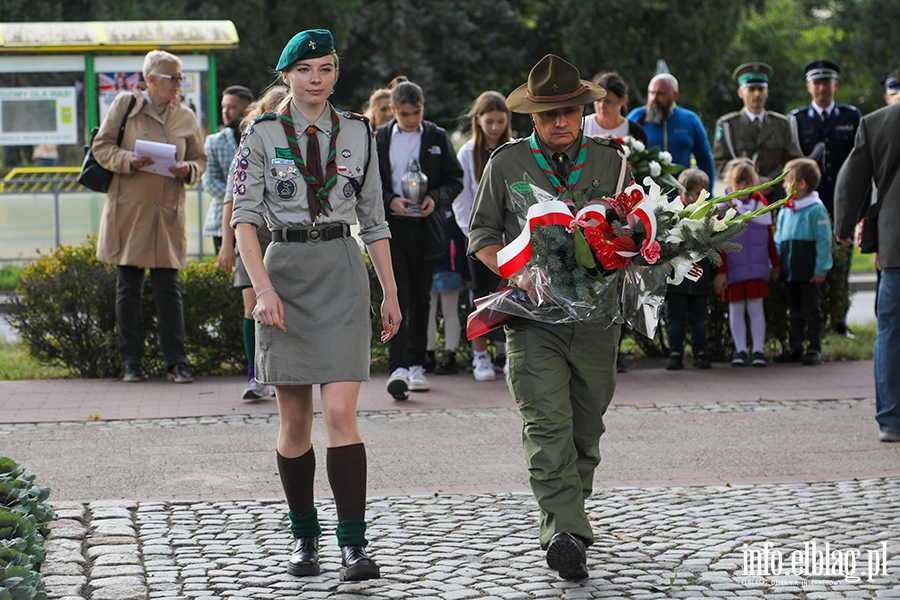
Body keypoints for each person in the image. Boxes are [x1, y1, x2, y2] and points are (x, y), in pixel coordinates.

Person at [229, 29, 402, 579]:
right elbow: (244, 222)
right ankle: (305, 539)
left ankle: (354, 544)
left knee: (342, 414)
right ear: (286, 77)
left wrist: (390, 291)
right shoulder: (259, 135)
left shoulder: (358, 132)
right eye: (305, 70)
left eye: (326, 69)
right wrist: (262, 291)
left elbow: (374, 219)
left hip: (342, 272)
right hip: (283, 276)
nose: (316, 79)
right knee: (297, 422)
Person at [468, 54, 633, 580]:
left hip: (598, 321)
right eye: (548, 115)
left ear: (584, 111)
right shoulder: (507, 163)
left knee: (585, 430)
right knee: (546, 425)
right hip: (534, 321)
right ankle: (564, 531)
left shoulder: (613, 161)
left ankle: (569, 513)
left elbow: (636, 230)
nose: (560, 122)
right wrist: (515, 273)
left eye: (569, 111)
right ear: (531, 119)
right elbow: (482, 237)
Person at [93, 49, 207, 384]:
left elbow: (200, 160)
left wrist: (188, 169)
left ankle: (177, 362)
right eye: (173, 78)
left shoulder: (185, 115)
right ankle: (132, 362)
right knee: (128, 288)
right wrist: (130, 160)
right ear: (151, 80)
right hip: (129, 209)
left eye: (180, 78)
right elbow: (101, 148)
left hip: (167, 211)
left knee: (168, 289)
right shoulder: (125, 105)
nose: (178, 84)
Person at [375, 80, 464, 400]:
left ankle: (417, 364)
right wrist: (389, 200)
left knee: (421, 298)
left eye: (417, 113)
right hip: (391, 229)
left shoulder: (437, 136)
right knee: (394, 295)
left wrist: (434, 200)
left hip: (426, 228)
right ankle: (397, 365)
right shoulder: (380, 137)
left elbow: (455, 180)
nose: (411, 119)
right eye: (404, 114)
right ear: (392, 111)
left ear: (423, 108)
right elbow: (368, 182)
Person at [834, 101, 900, 443]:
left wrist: (843, 225)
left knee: (891, 331)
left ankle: (891, 420)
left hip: (895, 245)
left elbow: (851, 177)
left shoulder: (877, 122)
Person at [219, 86, 288, 401]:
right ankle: (256, 373)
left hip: (287, 236)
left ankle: (282, 372)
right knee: (253, 306)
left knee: (286, 305)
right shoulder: (250, 143)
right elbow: (231, 199)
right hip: (253, 234)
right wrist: (226, 245)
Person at [788, 60, 861, 339]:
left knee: (841, 261)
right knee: (806, 262)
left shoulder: (851, 117)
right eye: (816, 83)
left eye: (826, 83)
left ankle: (839, 321)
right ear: (809, 87)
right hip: (807, 206)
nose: (822, 88)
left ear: (835, 86)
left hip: (842, 202)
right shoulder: (797, 119)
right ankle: (808, 321)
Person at [453, 91, 512, 381]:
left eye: (501, 121)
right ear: (478, 120)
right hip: (478, 238)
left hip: (511, 238)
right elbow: (461, 200)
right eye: (489, 122)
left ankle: (508, 352)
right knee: (482, 297)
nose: (495, 128)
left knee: (511, 293)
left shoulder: (513, 149)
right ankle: (480, 355)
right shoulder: (467, 153)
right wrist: (475, 237)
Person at [714, 158, 780, 367]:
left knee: (756, 308)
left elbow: (769, 237)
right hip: (733, 269)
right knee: (735, 309)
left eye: (747, 182)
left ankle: (758, 351)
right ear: (730, 183)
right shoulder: (723, 208)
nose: (743, 187)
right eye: (738, 182)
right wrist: (721, 272)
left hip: (757, 267)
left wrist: (775, 263)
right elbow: (719, 243)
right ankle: (741, 350)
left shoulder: (762, 205)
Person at [773, 158, 833, 366]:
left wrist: (821, 268)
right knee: (795, 311)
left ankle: (814, 348)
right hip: (790, 271)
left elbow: (825, 242)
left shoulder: (816, 210)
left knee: (812, 311)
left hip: (809, 272)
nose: (783, 185)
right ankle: (795, 347)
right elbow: (779, 240)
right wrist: (776, 264)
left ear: (801, 184)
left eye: (786, 180)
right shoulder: (785, 210)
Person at [713, 63, 800, 201]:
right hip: (741, 202)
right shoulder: (728, 125)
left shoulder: (781, 123)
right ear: (740, 93)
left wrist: (771, 180)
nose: (757, 94)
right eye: (751, 89)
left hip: (776, 197)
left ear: (767, 92)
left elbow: (792, 158)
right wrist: (753, 180)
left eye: (761, 89)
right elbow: (720, 162)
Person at [627, 73, 715, 185]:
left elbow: (705, 159)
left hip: (682, 195)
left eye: (660, 93)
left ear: (675, 95)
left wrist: (708, 194)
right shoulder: (636, 117)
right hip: (643, 194)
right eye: (651, 92)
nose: (654, 98)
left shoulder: (690, 120)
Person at [665, 168, 713, 370]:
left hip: (700, 279)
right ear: (681, 193)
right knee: (675, 319)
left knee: (699, 320)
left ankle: (699, 352)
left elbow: (715, 249)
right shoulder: (673, 216)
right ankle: (676, 353)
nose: (696, 198)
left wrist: (718, 275)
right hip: (677, 281)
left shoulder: (709, 218)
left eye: (700, 193)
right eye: (692, 193)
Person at [203, 86, 255, 254]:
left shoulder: (259, 137)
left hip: (255, 220)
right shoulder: (213, 141)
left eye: (232, 107)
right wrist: (239, 198)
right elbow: (209, 182)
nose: (225, 112)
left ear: (247, 109)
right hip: (220, 220)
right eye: (223, 107)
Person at [424, 207, 470, 375]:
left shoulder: (456, 216)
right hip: (428, 267)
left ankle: (450, 355)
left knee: (449, 312)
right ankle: (428, 355)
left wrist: (466, 272)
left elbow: (465, 244)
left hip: (450, 268)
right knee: (428, 313)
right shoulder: (424, 214)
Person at [582, 72, 647, 144]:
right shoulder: (581, 125)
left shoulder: (636, 132)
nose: (601, 106)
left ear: (623, 100)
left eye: (608, 101)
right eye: (598, 100)